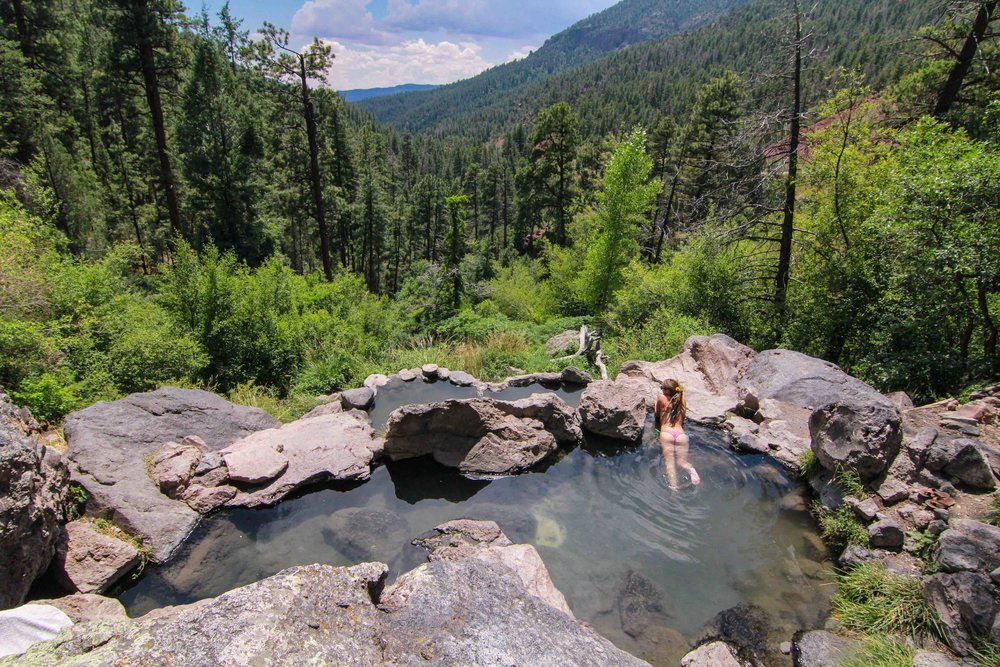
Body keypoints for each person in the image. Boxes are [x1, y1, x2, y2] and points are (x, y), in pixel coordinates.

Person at [655, 379, 700, 489]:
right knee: (682, 462)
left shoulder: (661, 398)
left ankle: (674, 489)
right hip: (681, 435)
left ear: (666, 390)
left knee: (669, 463)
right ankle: (691, 469)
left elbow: (656, 415)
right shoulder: (682, 400)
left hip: (666, 433)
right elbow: (682, 419)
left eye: (662, 388)